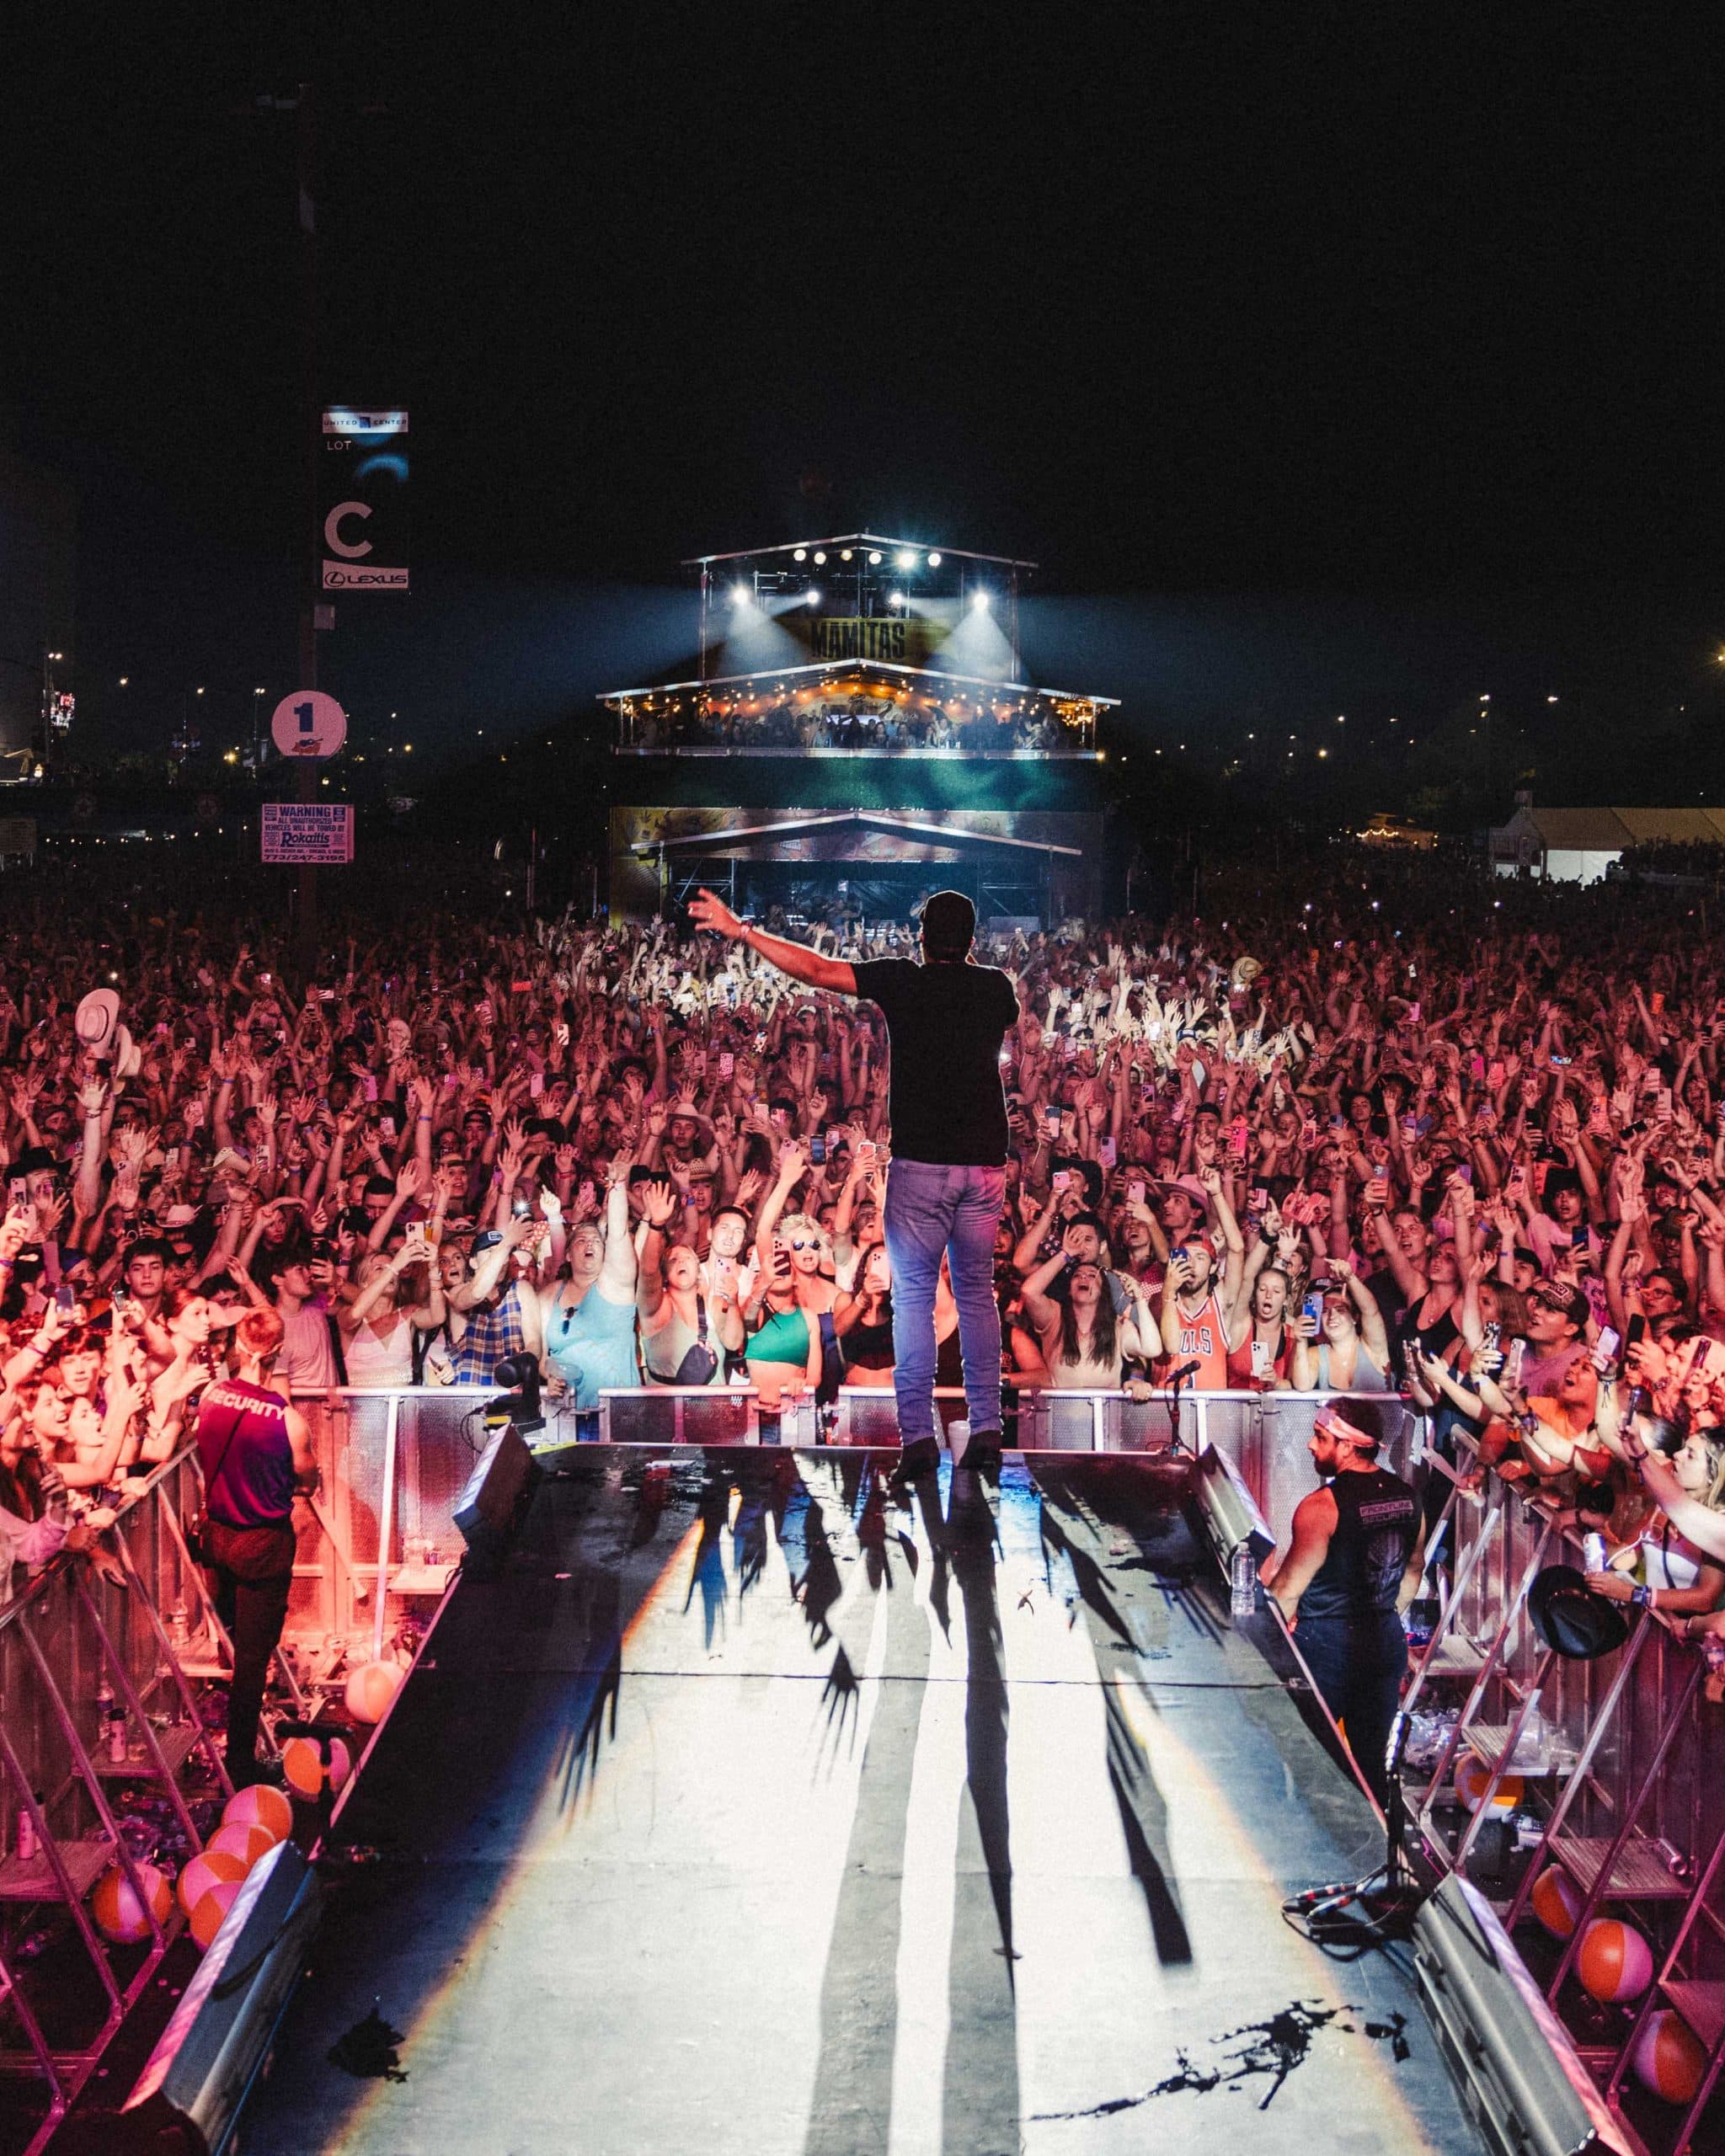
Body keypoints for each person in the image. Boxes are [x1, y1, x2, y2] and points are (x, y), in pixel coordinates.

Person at [691, 884, 1017, 1482]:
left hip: (921, 1166)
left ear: (921, 937)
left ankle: (919, 1438)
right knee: (975, 1295)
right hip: (984, 1167)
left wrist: (742, 930)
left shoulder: (903, 980)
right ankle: (988, 1431)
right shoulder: (996, 987)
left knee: (914, 1299)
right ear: (973, 941)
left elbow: (814, 968)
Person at [1261, 1397, 1424, 1806]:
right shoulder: (1408, 1497)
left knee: (1299, 1756)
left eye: (1320, 1437)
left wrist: (1258, 1654)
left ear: (1347, 1446)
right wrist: (1382, 1616)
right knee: (1372, 1767)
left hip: (1327, 1646)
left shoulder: (1321, 1508)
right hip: (1384, 1640)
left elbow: (1286, 1592)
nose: (1310, 1447)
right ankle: (1371, 1856)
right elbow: (1412, 1574)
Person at [192, 1307, 316, 1784]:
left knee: (232, 1639)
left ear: (237, 1347)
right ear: (278, 1353)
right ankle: (240, 1765)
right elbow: (308, 1478)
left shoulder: (209, 1396)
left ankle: (227, 1739)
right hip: (263, 1546)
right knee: (252, 1659)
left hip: (219, 1538)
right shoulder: (288, 1421)